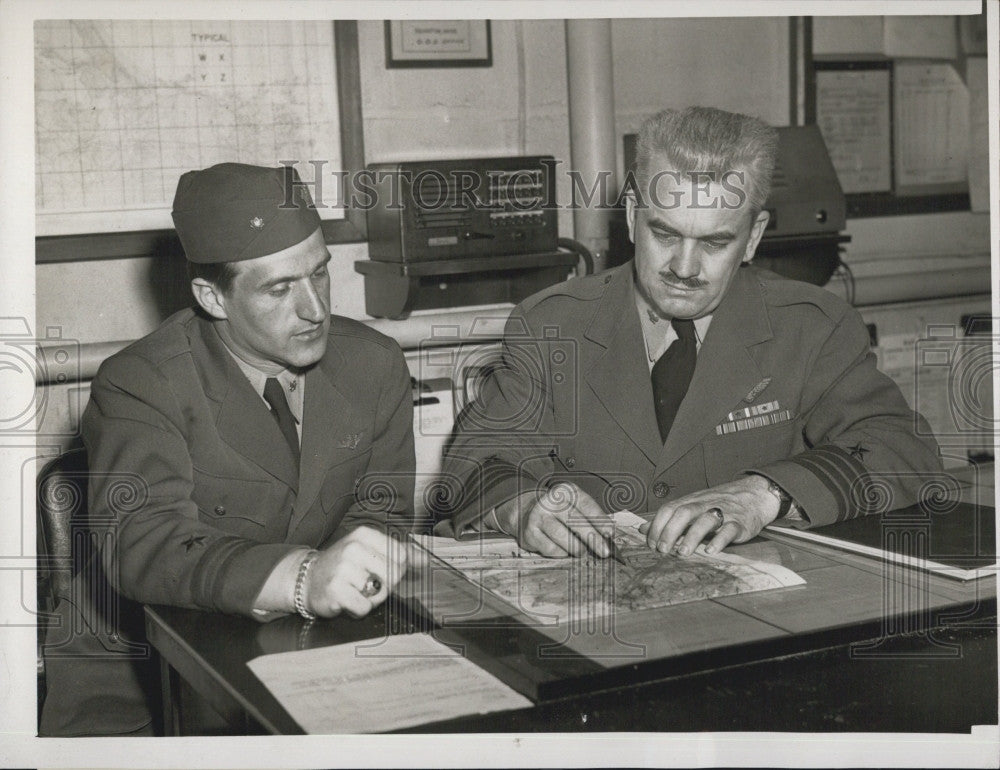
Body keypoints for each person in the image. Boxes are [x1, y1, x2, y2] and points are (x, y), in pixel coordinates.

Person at [438, 106, 942, 560]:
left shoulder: (811, 327)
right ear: (634, 218)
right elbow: (474, 462)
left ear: (754, 237)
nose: (683, 267)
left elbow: (903, 447)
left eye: (715, 242)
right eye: (665, 233)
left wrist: (767, 494)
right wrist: (523, 508)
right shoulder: (552, 325)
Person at [40, 163, 414, 736]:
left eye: (320, 273)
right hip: (144, 677)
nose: (316, 309)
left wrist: (346, 586)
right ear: (212, 297)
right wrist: (302, 577)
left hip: (302, 648)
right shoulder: (139, 382)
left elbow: (378, 515)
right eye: (280, 289)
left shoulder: (375, 364)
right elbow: (147, 544)